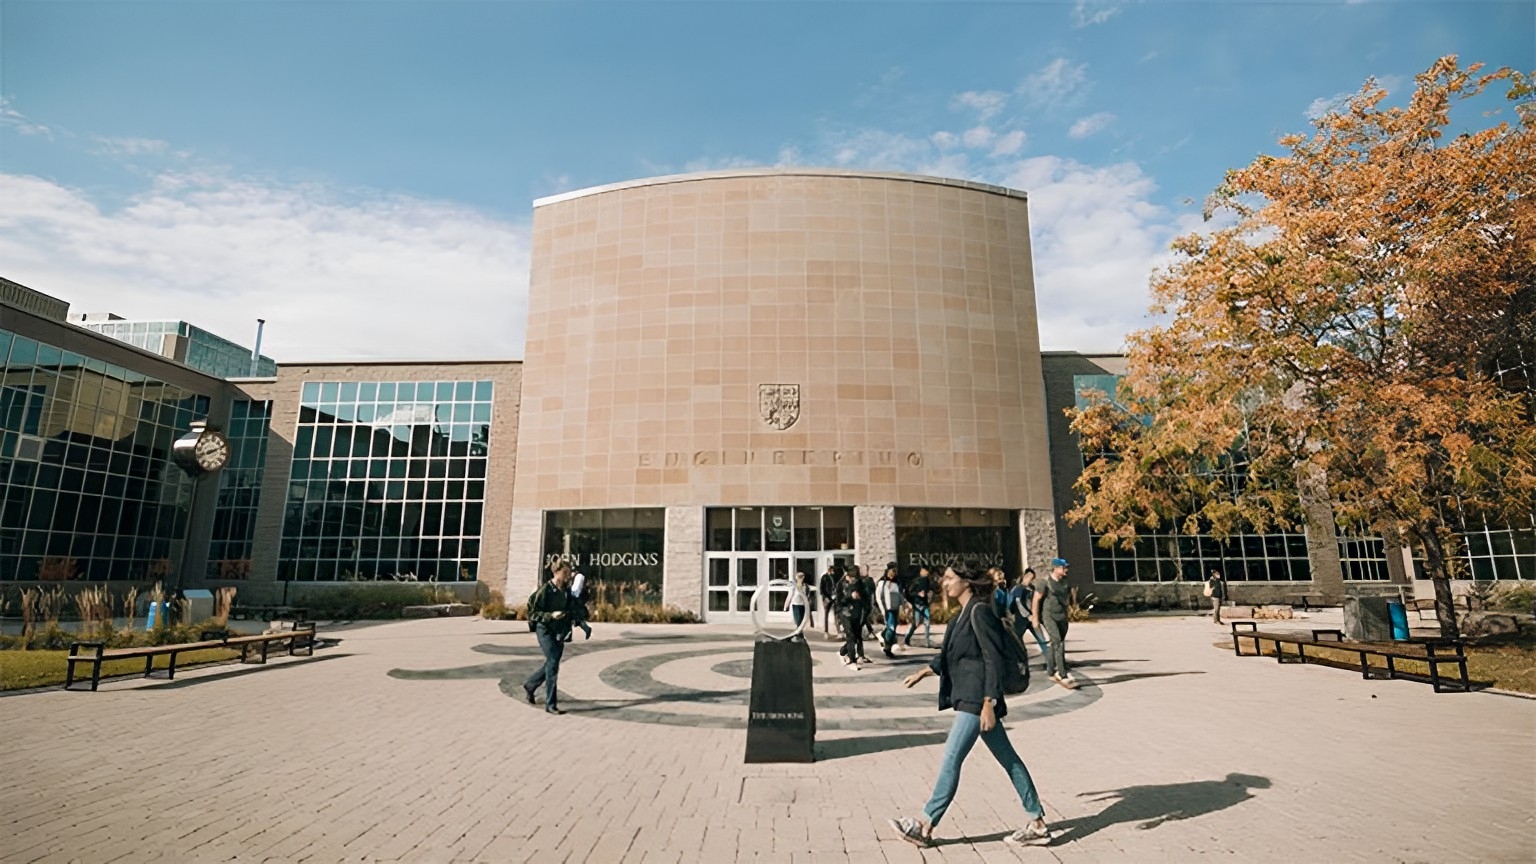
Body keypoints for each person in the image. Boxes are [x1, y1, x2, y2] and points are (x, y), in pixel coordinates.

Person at [889, 566, 1052, 849]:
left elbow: (992, 659)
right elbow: (951, 655)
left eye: (951, 578)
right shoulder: (961, 616)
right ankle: (1037, 822)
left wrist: (989, 702)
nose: (945, 583)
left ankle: (925, 826)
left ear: (967, 582)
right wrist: (924, 672)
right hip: (970, 697)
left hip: (977, 700)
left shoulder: (979, 611)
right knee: (1009, 759)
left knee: (952, 758)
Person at [524, 562, 577, 714]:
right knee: (553, 662)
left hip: (559, 631)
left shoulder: (566, 590)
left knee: (552, 662)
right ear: (556, 572)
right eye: (565, 573)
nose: (568, 576)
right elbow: (533, 612)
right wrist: (550, 615)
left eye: (569, 573)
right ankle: (550, 704)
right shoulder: (544, 591)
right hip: (545, 630)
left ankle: (530, 685)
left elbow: (570, 608)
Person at [1032, 558, 1076, 689]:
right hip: (1049, 616)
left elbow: (1067, 598)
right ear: (1056, 568)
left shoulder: (1064, 583)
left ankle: (1050, 670)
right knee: (1058, 642)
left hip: (1062, 617)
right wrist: (1035, 618)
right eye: (1064, 568)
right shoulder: (1044, 583)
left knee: (1055, 643)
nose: (1066, 570)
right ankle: (1062, 673)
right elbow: (1036, 600)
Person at [1009, 568, 1051, 660]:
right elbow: (1018, 603)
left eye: (1032, 578)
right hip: (1021, 619)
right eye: (1028, 577)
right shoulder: (1017, 589)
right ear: (1024, 576)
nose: (1030, 579)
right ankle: (1016, 659)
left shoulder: (1032, 588)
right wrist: (1028, 615)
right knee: (1016, 640)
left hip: (1033, 619)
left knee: (1041, 639)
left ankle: (1050, 661)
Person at [837, 567, 870, 668]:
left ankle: (843, 651)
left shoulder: (859, 584)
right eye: (851, 578)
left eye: (854, 578)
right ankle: (851, 659)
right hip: (845, 613)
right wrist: (850, 597)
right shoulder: (841, 584)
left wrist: (865, 607)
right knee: (850, 635)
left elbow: (865, 597)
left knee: (856, 636)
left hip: (857, 612)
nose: (853, 580)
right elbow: (839, 601)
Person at [876, 565, 904, 658]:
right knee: (891, 628)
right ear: (887, 572)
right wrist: (882, 609)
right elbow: (878, 597)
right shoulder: (881, 583)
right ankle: (887, 647)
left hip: (895, 608)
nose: (892, 574)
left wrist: (903, 605)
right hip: (887, 609)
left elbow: (900, 596)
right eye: (891, 572)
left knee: (893, 628)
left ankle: (883, 635)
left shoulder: (897, 584)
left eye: (894, 573)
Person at [904, 566, 934, 648]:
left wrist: (929, 593)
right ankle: (907, 638)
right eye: (925, 570)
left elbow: (931, 590)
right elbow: (909, 593)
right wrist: (917, 594)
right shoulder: (916, 581)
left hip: (925, 605)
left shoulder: (927, 581)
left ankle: (927, 641)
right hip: (917, 605)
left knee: (927, 623)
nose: (927, 573)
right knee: (916, 624)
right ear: (921, 571)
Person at [566, 569, 593, 642]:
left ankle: (585, 629)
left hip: (574, 600)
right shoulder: (576, 577)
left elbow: (576, 590)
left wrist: (570, 595)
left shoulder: (579, 577)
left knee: (571, 617)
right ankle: (586, 629)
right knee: (573, 617)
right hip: (574, 600)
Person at [818, 565, 841, 640]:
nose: (833, 572)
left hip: (834, 597)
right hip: (827, 598)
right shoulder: (824, 577)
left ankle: (838, 631)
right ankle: (826, 632)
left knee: (837, 614)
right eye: (832, 570)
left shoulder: (835, 577)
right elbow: (822, 589)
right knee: (826, 614)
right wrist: (826, 597)